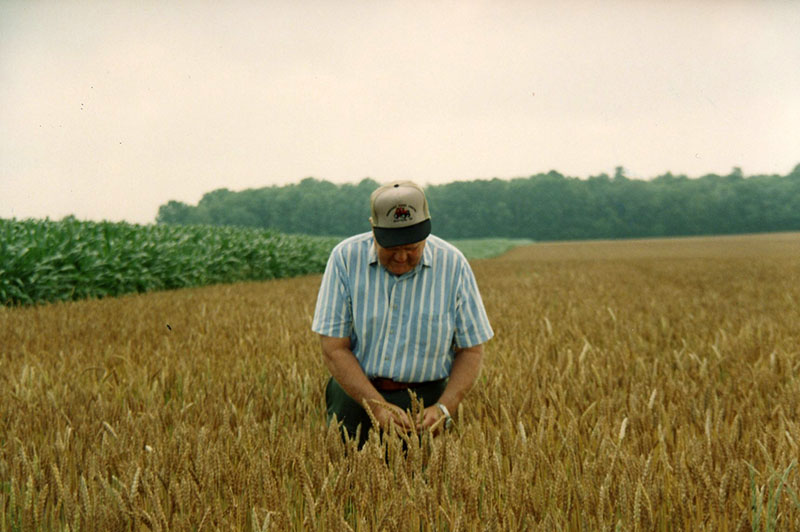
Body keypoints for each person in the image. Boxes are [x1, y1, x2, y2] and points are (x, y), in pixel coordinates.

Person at [311, 181, 493, 447]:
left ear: (426, 233)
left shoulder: (453, 265)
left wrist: (444, 407)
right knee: (346, 481)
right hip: (355, 396)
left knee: (426, 486)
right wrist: (376, 407)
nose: (401, 257)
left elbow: (471, 350)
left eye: (412, 248)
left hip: (425, 404)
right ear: (374, 230)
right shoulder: (345, 259)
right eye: (392, 247)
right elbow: (333, 348)